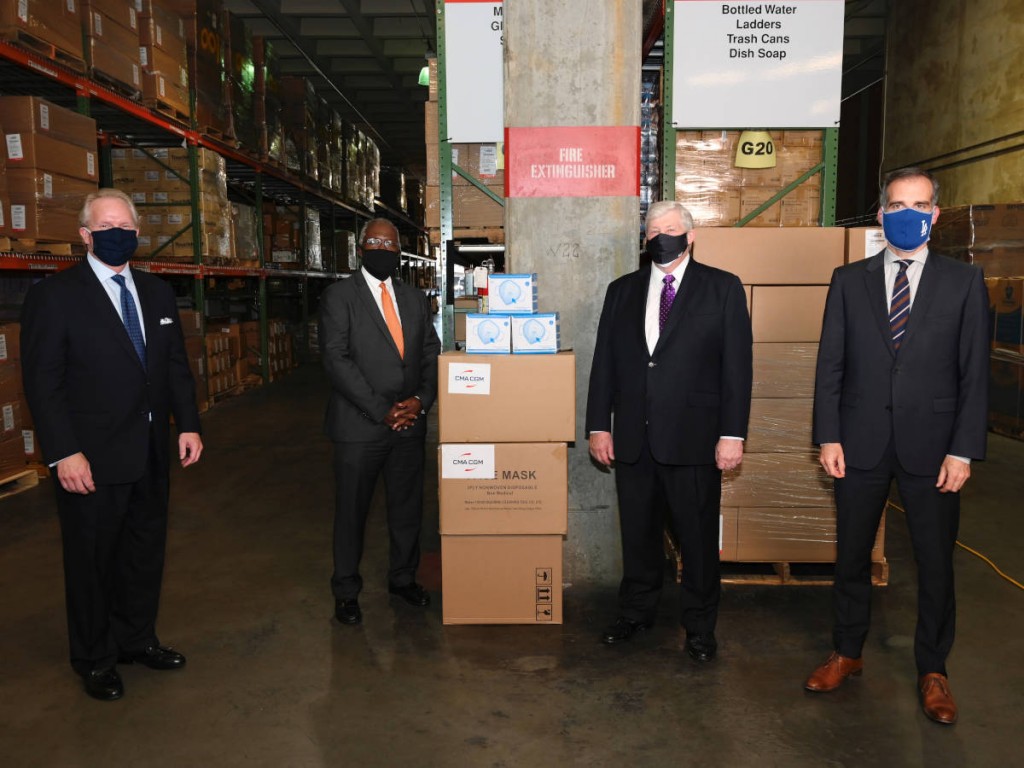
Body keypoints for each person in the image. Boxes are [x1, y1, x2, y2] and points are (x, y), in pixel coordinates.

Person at [805, 167, 989, 725]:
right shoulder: (848, 280)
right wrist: (828, 434)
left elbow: (974, 373)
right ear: (882, 214)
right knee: (851, 556)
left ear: (935, 214)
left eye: (919, 204)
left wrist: (963, 450)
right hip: (859, 441)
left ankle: (933, 669)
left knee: (935, 563)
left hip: (934, 448)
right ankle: (847, 651)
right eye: (897, 205)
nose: (908, 213)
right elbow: (830, 364)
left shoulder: (964, 282)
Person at [20, 188, 203, 702]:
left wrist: (188, 424)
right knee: (92, 560)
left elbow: (174, 365)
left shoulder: (157, 292)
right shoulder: (56, 296)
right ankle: (95, 658)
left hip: (150, 449)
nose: (116, 234)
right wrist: (63, 452)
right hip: (91, 458)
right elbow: (43, 383)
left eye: (125, 226)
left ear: (138, 234)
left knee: (144, 552)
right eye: (105, 227)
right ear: (85, 235)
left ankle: (136, 640)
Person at [585, 200, 753, 662]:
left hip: (695, 439)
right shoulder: (621, 291)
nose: (662, 236)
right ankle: (636, 612)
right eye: (654, 230)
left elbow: (737, 368)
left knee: (697, 539)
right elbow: (604, 363)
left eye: (671, 228)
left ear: (690, 235)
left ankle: (699, 626)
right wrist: (599, 425)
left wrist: (733, 434)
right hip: (633, 439)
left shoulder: (722, 288)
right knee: (638, 534)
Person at [320, 217, 440, 626]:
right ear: (360, 249)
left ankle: (403, 578)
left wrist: (421, 401)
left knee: (407, 509)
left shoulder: (415, 299)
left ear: (399, 252)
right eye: (375, 242)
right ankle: (346, 591)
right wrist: (381, 408)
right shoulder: (339, 297)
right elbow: (336, 359)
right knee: (352, 512)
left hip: (409, 424)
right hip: (359, 427)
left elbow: (430, 354)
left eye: (390, 245)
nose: (382, 250)